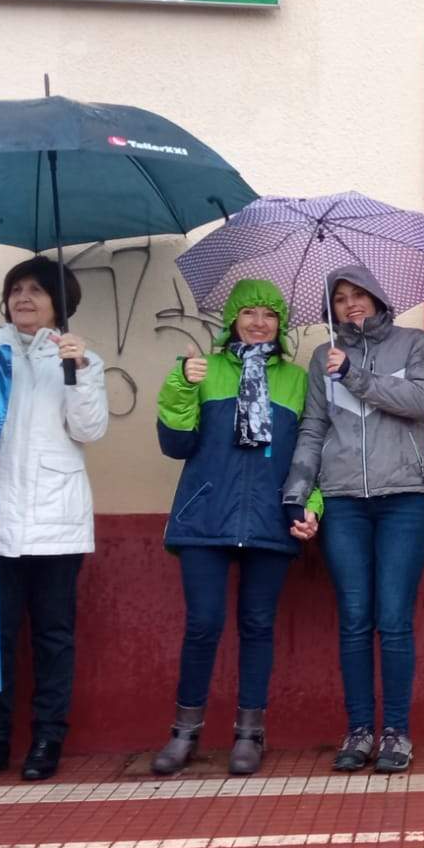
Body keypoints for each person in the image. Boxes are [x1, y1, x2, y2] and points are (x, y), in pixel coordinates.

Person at [147, 279, 320, 776]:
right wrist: (182, 384)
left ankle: (249, 734)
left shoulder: (296, 379)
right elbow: (176, 445)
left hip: (270, 518)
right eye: (249, 313)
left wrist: (311, 506)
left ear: (280, 324)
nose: (259, 322)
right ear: (232, 320)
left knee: (257, 626)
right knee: (203, 624)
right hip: (205, 515)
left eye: (269, 314)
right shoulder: (203, 369)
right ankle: (184, 733)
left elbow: (310, 452)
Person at [283, 266, 424, 775]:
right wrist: (297, 494)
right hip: (345, 501)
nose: (351, 304)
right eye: (341, 298)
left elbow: (421, 401)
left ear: (377, 297)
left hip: (405, 499)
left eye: (359, 294)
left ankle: (395, 732)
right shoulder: (320, 357)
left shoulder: (415, 344)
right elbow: (313, 428)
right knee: (353, 619)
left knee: (392, 618)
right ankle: (358, 730)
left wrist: (353, 374)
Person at [0, 256, 109, 783]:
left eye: (36, 291)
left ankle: (48, 738)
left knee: (53, 637)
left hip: (57, 519)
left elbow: (89, 430)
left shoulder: (80, 358)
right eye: (16, 290)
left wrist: (79, 372)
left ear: (59, 303)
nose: (23, 298)